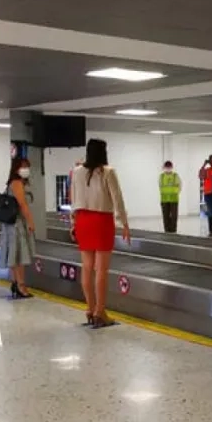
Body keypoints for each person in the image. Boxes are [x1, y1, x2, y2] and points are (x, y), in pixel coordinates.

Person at [70, 139, 129, 329]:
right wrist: (124, 224)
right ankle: (100, 312)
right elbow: (117, 200)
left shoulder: (77, 172)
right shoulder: (108, 172)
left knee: (86, 266)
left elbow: (73, 198)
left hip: (82, 220)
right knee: (101, 269)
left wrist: (73, 222)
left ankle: (89, 308)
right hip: (101, 220)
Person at [0, 158, 37, 299]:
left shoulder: (12, 183)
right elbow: (23, 205)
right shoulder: (17, 183)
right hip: (17, 224)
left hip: (11, 224)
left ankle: (15, 282)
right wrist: (31, 222)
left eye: (27, 166)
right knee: (19, 255)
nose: (26, 169)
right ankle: (21, 286)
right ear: (16, 168)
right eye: (24, 166)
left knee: (14, 255)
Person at [159, 161, 182, 233]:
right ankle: (167, 231)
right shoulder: (161, 176)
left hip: (174, 199)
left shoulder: (175, 176)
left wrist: (175, 192)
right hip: (164, 200)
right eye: (166, 167)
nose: (168, 169)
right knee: (165, 217)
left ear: (172, 167)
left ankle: (173, 232)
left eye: (169, 167)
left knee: (174, 217)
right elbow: (160, 186)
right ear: (164, 168)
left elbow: (179, 186)